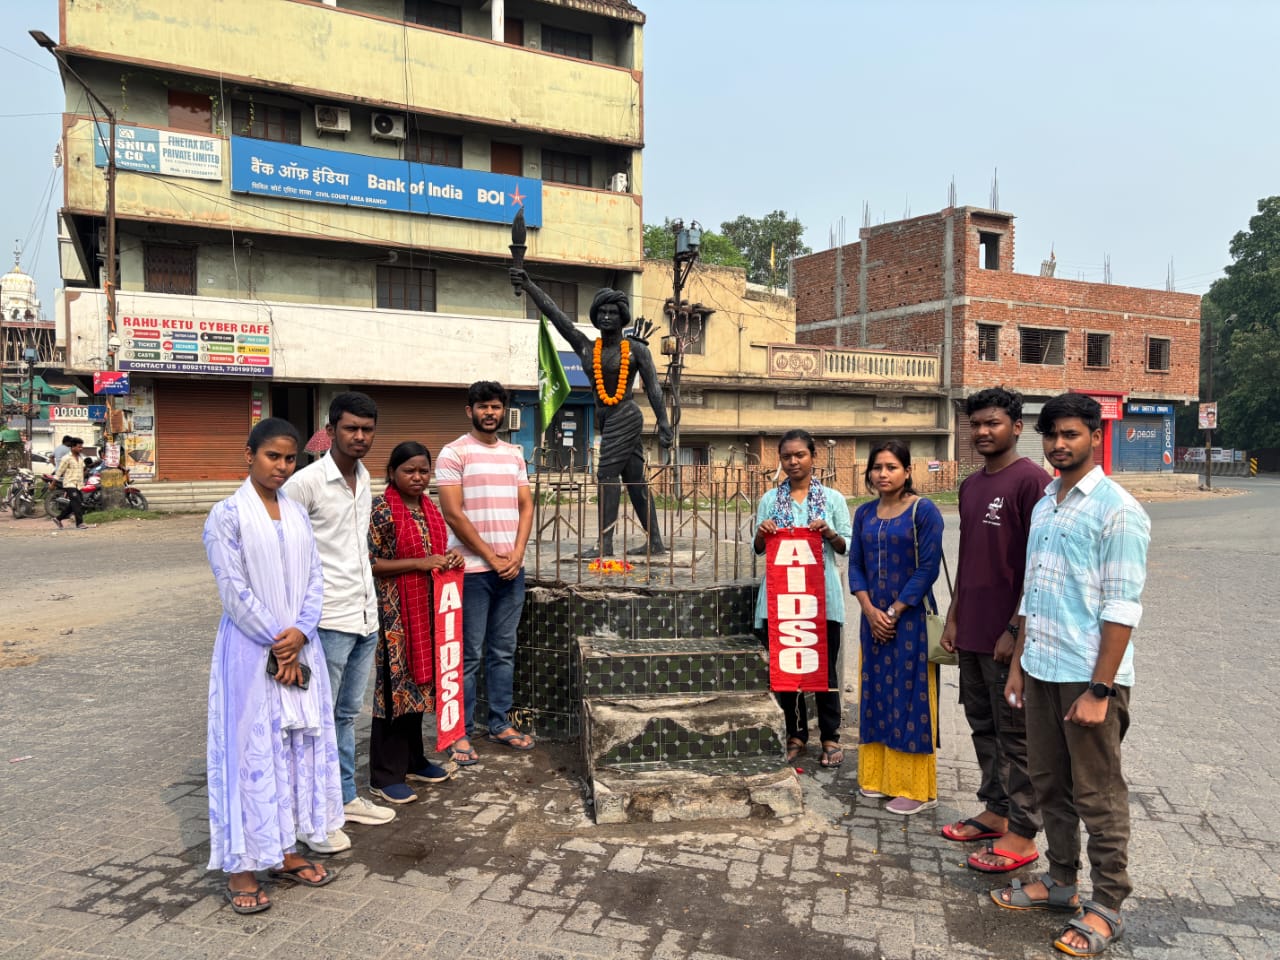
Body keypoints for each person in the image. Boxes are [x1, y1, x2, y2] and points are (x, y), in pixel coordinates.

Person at [993, 393, 1150, 958]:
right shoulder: (1046, 504)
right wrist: (1019, 664)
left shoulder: (1118, 510)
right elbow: (1033, 592)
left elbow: (1122, 608)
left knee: (1098, 795)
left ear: (1096, 437)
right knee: (1049, 784)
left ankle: (1107, 906)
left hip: (1088, 678)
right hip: (1041, 668)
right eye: (1052, 435)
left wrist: (1099, 690)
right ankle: (1060, 881)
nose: (1059, 444)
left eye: (1071, 434)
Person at [203, 417, 341, 915]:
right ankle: (242, 866)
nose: (282, 466)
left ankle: (282, 851)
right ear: (250, 455)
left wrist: (301, 632)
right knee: (250, 753)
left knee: (293, 750)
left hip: (301, 646)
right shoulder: (225, 516)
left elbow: (315, 578)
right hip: (250, 650)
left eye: (290, 458)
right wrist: (277, 643)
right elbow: (232, 588)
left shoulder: (297, 512)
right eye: (272, 456)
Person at [939, 388, 1051, 873]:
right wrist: (954, 617)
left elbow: (1038, 566)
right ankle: (995, 811)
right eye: (977, 424)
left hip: (1009, 637)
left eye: (993, 423)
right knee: (982, 725)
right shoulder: (970, 485)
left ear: (1017, 427)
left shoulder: (1032, 482)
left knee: (1017, 737)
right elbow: (970, 558)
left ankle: (1022, 831)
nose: (983, 431)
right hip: (971, 631)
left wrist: (1014, 628)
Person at [284, 392, 395, 845]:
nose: (360, 437)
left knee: (346, 715)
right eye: (351, 428)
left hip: (364, 616)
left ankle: (345, 796)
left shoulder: (365, 478)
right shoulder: (305, 484)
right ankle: (312, 813)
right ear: (331, 430)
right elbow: (284, 551)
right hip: (326, 620)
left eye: (367, 429)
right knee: (318, 718)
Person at [512, 269, 672, 557]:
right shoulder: (586, 347)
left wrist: (664, 423)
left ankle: (605, 544)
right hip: (606, 418)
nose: (606, 317)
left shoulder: (636, 350)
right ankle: (656, 542)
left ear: (623, 317)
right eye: (602, 312)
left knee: (606, 475)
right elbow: (556, 315)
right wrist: (529, 285)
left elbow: (654, 388)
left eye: (613, 312)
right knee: (635, 479)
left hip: (626, 414)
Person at [436, 381, 535, 762]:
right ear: (470, 411)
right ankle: (458, 732)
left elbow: (526, 505)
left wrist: (517, 554)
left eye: (495, 406)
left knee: (503, 651)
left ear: (503, 411)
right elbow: (453, 513)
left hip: (511, 571)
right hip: (471, 572)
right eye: (482, 407)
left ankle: (499, 723)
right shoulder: (454, 453)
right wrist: (492, 558)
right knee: (468, 655)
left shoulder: (514, 454)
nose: (489, 413)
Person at [848, 440, 944, 815]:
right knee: (875, 696)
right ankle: (877, 777)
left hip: (911, 622)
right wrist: (869, 610)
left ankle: (915, 788)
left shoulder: (924, 511)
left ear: (907, 471)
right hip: (871, 621)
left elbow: (928, 568)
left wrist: (893, 611)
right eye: (877, 467)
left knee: (909, 700)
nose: (883, 474)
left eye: (891, 467)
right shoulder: (864, 513)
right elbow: (856, 565)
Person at [367, 441, 466, 803]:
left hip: (427, 610)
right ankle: (384, 774)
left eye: (424, 471)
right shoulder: (381, 510)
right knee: (393, 690)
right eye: (409, 470)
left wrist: (450, 558)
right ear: (392, 472)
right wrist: (420, 564)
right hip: (393, 614)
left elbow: (433, 553)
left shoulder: (430, 508)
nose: (418, 477)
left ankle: (413, 760)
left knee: (419, 686)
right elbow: (369, 563)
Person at [753, 429, 852, 767]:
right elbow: (758, 548)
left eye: (800, 455)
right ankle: (796, 734)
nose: (793, 462)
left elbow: (847, 546)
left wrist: (830, 533)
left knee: (824, 668)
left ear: (813, 457)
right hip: (782, 599)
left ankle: (830, 736)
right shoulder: (770, 500)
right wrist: (763, 532)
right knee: (788, 668)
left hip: (821, 597)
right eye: (786, 456)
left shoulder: (833, 499)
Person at [51, 437, 88, 529]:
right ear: (73, 447)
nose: (81, 449)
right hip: (69, 483)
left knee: (75, 503)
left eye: (81, 447)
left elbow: (83, 469)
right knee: (77, 502)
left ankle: (58, 518)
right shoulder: (66, 458)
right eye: (79, 447)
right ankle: (79, 523)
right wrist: (53, 483)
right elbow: (59, 471)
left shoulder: (80, 458)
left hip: (78, 484)